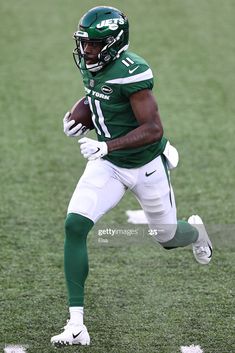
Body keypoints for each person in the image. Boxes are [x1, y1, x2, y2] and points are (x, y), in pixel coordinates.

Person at [51, 6, 212, 347]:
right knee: (75, 225)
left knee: (166, 237)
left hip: (145, 166)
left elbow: (153, 129)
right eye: (84, 43)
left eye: (93, 45)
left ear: (113, 43)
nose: (86, 51)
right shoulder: (94, 65)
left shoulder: (132, 72)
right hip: (107, 165)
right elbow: (97, 94)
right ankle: (76, 324)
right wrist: (79, 115)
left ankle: (196, 232)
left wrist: (106, 146)